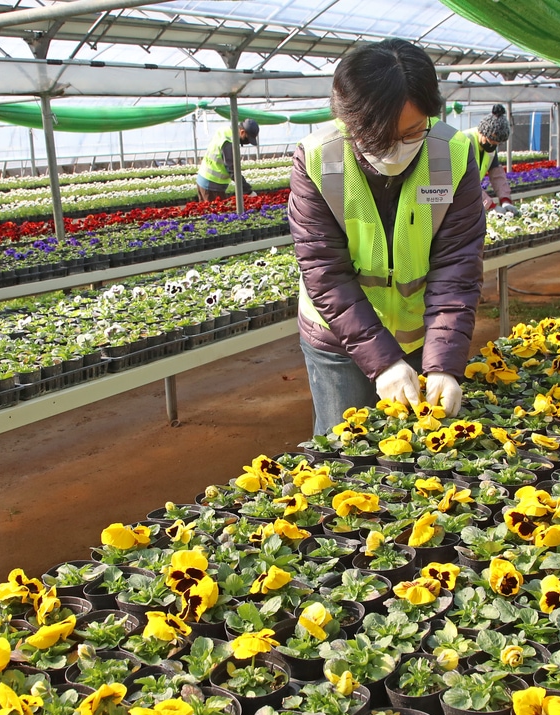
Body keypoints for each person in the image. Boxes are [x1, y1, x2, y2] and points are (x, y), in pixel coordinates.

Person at [288, 38, 485, 435]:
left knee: (412, 451)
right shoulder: (318, 159)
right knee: (342, 447)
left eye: (413, 132)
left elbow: (456, 265)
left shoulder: (455, 155)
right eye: (380, 137)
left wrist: (444, 364)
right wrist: (383, 362)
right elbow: (325, 272)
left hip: (420, 337)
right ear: (351, 120)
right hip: (338, 340)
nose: (396, 149)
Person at [463, 105, 515, 215]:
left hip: (468, 199)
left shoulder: (490, 149)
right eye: (490, 141)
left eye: (497, 144)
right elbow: (465, 182)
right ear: (482, 132)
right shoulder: (464, 142)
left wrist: (505, 200)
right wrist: (490, 205)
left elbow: (497, 175)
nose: (492, 146)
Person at [197, 118, 260, 201]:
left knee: (207, 212)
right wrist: (248, 191)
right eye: (247, 139)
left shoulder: (226, 131)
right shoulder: (229, 143)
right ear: (242, 132)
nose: (247, 142)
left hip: (204, 179)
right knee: (215, 212)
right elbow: (233, 171)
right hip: (212, 184)